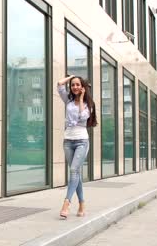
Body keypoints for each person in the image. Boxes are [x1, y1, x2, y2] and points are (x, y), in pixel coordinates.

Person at [57, 74, 97, 218]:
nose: (75, 87)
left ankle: (66, 203)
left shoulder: (89, 104)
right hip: (68, 140)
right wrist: (72, 76)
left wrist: (81, 99)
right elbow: (59, 84)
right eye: (73, 85)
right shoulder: (67, 100)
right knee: (76, 174)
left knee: (74, 170)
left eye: (78, 84)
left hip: (81, 141)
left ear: (82, 87)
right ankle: (82, 204)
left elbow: (83, 117)